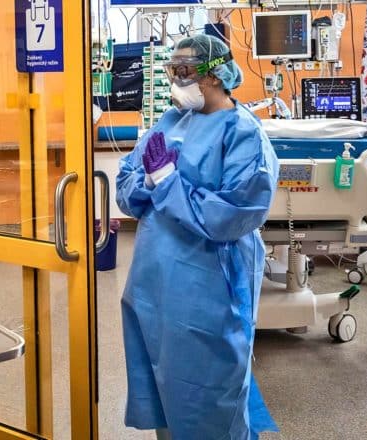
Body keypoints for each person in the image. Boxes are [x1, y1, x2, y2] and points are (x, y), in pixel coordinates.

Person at [116, 34, 280, 439]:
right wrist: (150, 184)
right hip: (153, 285)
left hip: (207, 290)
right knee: (164, 384)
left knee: (208, 392)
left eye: (185, 71)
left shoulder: (243, 135)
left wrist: (167, 184)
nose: (177, 80)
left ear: (216, 74)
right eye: (172, 71)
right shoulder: (171, 121)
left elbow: (233, 215)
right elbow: (126, 181)